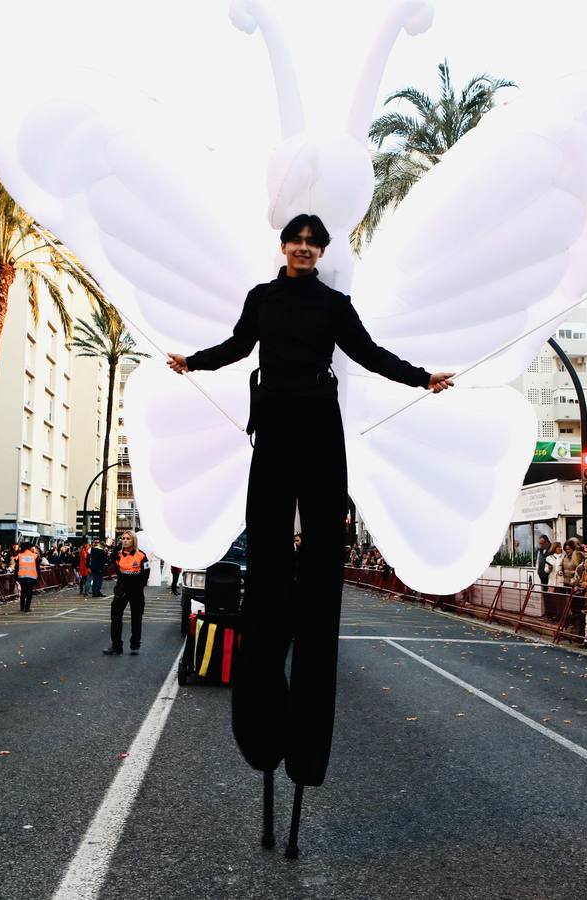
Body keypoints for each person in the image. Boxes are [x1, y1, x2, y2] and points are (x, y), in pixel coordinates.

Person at [166, 212, 455, 857]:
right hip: (271, 432)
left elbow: (369, 354)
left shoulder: (334, 305)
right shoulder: (262, 300)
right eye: (296, 241)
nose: (303, 248)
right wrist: (193, 363)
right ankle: (265, 709)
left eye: (312, 243)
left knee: (321, 568)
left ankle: (308, 729)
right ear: (284, 247)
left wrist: (422, 378)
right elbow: (238, 348)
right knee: (268, 565)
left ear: (321, 252)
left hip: (321, 432)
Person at [103, 531, 149, 656]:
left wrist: (138, 586)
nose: (125, 540)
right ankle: (116, 646)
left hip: (136, 590)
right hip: (122, 589)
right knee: (115, 617)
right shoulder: (118, 555)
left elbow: (145, 575)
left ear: (133, 540)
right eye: (123, 538)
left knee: (136, 617)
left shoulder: (141, 556)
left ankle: (135, 642)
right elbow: (114, 566)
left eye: (128, 538)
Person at [14, 542, 40, 612]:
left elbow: (16, 567)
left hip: (22, 577)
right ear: (29, 547)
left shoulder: (20, 555)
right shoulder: (34, 556)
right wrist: (39, 576)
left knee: (23, 592)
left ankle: (22, 607)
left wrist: (15, 577)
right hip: (31, 577)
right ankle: (27, 607)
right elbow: (37, 568)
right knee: (29, 593)